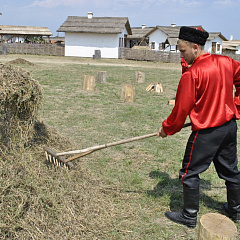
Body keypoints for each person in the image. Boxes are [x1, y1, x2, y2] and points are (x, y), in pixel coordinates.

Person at [158, 26, 240, 228]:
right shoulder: (227, 62)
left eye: (182, 50)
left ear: (195, 47)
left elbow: (180, 110)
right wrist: (235, 105)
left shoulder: (193, 73)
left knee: (189, 173)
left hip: (206, 132)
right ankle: (236, 210)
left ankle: (188, 215)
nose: (181, 55)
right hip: (229, 127)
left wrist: (167, 129)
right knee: (231, 171)